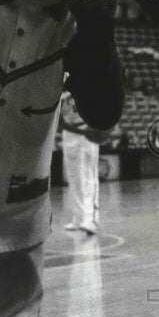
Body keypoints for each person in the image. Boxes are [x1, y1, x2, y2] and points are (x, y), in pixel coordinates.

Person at [60, 90, 108, 235]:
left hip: (88, 129)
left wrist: (98, 129)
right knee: (74, 177)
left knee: (89, 176)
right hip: (70, 133)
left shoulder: (88, 88)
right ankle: (78, 217)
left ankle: (91, 220)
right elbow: (60, 122)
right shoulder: (60, 95)